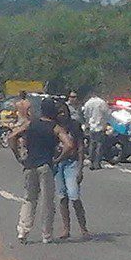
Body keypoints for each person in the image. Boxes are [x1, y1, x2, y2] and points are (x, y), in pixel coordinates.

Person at [9, 98, 74, 244]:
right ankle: (46, 234)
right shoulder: (55, 127)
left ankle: (23, 231)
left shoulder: (31, 123)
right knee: (47, 201)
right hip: (46, 165)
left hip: (29, 164)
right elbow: (69, 144)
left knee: (29, 199)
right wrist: (58, 158)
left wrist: (18, 155)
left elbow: (12, 137)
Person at [55, 102, 91, 240]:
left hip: (72, 163)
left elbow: (81, 147)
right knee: (62, 196)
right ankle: (66, 229)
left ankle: (83, 228)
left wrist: (80, 168)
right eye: (59, 112)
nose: (62, 114)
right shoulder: (54, 126)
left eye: (64, 111)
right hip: (57, 164)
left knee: (74, 196)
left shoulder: (74, 125)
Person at [83, 93, 110, 170]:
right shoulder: (102, 102)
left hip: (92, 126)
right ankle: (97, 163)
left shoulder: (88, 103)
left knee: (92, 144)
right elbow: (107, 113)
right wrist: (105, 123)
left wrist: (87, 123)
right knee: (99, 145)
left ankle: (91, 161)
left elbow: (85, 114)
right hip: (100, 126)